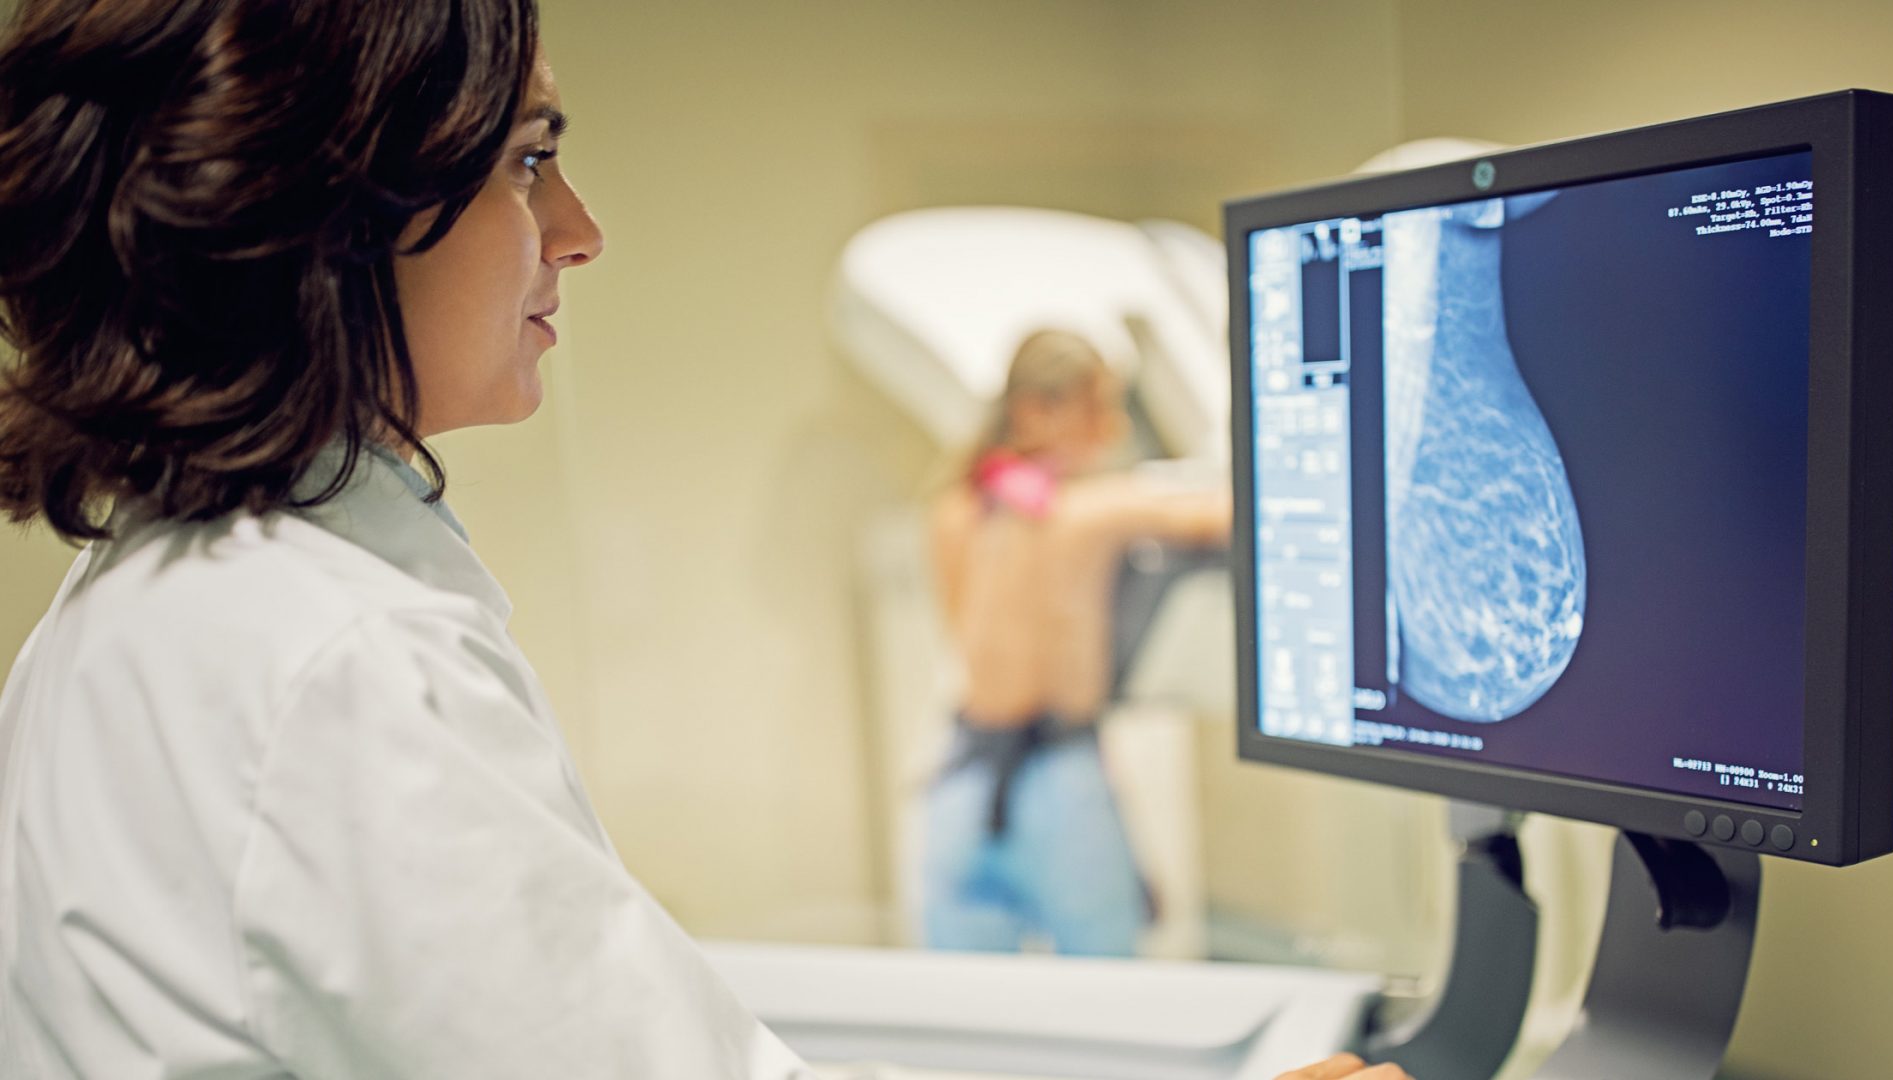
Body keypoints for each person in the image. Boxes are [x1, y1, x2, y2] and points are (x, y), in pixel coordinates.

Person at [0, 2, 1410, 1078]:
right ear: (330, 209)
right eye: (529, 161)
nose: (582, 229)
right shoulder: (334, 663)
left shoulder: (124, 613)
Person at [922, 329, 1231, 956]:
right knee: (1109, 983)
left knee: (966, 1004)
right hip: (1057, 782)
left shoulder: (952, 512)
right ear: (1037, 412)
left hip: (958, 782)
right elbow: (1229, 517)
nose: (1115, 428)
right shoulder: (1088, 514)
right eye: (1101, 406)